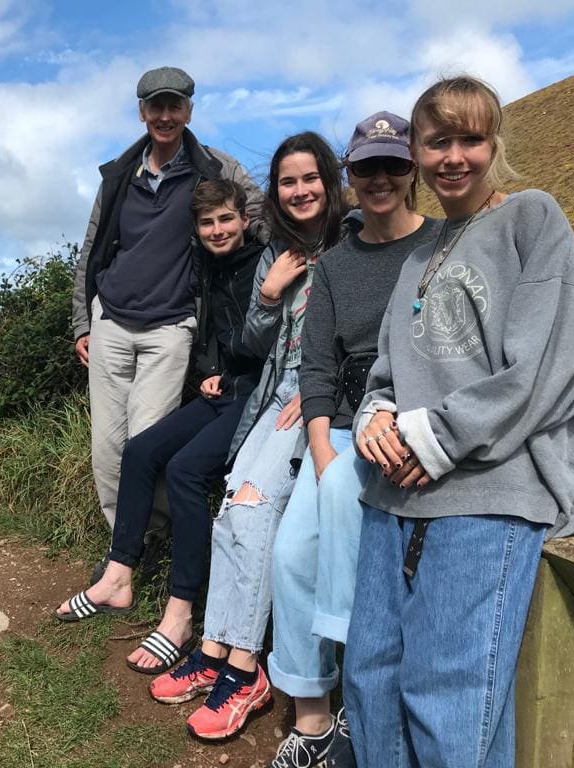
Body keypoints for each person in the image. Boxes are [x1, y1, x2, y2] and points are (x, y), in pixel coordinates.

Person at [343, 75, 574, 767]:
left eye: (471, 138)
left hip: (488, 491)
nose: (454, 156)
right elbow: (387, 372)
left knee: (449, 699)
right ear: (416, 153)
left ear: (495, 145)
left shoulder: (532, 218)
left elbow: (545, 366)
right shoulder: (418, 256)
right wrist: (375, 417)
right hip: (393, 492)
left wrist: (433, 437)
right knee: (370, 683)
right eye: (438, 141)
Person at [146, 131, 347, 740]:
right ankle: (213, 651)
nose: (300, 190)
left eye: (310, 178)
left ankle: (243, 669)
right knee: (234, 510)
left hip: (314, 396)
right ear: (276, 193)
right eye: (288, 181)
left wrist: (318, 394)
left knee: (254, 511)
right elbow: (250, 345)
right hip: (273, 393)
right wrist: (268, 293)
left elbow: (359, 338)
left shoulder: (354, 237)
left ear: (329, 181)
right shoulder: (277, 251)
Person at [265, 113, 442, 767]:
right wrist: (322, 451)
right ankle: (314, 717)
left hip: (407, 424)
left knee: (340, 492)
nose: (380, 179)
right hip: (338, 426)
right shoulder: (336, 264)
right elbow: (315, 370)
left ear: (412, 170)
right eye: (366, 167)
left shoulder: (443, 246)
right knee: (289, 554)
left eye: (393, 165)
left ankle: (359, 698)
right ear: (352, 174)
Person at [56, 180, 266, 670]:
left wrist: (269, 297)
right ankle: (118, 576)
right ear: (197, 228)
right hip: (223, 390)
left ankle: (180, 613)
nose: (218, 230)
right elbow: (210, 335)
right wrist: (209, 371)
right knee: (140, 451)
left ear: (245, 219)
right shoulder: (204, 268)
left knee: (187, 471)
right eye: (208, 222)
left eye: (226, 220)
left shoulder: (263, 263)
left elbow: (269, 339)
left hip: (258, 398)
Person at [71, 67, 264, 552]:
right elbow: (92, 249)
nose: (164, 115)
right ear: (142, 112)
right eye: (155, 106)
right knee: (107, 449)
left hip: (173, 326)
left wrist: (310, 252)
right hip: (110, 320)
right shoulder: (119, 174)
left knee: (147, 441)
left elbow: (260, 215)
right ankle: (126, 548)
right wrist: (81, 322)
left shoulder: (217, 169)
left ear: (189, 111)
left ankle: (149, 541)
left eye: (173, 105)